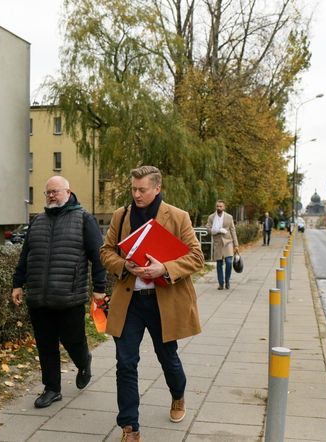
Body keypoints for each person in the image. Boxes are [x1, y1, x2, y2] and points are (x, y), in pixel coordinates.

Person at [100, 166, 204, 441]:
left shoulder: (178, 217)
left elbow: (196, 257)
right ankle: (129, 427)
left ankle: (178, 394)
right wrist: (124, 265)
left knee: (167, 357)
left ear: (157, 188)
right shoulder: (121, 215)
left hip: (163, 302)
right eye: (133, 189)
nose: (136, 194)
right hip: (129, 301)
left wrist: (164, 269)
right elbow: (105, 252)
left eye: (142, 189)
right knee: (125, 362)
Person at [11, 176, 107, 409]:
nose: (51, 196)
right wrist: (17, 283)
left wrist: (100, 289)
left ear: (68, 192)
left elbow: (98, 255)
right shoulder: (38, 221)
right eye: (48, 193)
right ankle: (52, 388)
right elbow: (26, 255)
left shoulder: (84, 218)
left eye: (56, 191)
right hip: (39, 296)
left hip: (69, 296)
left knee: (73, 341)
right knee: (45, 344)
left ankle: (84, 362)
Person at [205, 200, 239, 289]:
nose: (219, 208)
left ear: (224, 207)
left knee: (229, 262)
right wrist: (216, 230)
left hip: (228, 242)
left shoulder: (229, 217)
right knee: (219, 264)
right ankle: (221, 283)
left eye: (220, 206)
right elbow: (208, 228)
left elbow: (233, 230)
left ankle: (227, 280)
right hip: (218, 243)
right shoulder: (211, 217)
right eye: (217, 206)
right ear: (215, 207)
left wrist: (236, 245)